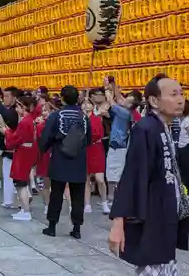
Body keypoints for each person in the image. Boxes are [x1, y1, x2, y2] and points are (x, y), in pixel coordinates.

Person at [108, 74, 189, 275]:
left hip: (166, 218)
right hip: (154, 219)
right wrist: (118, 224)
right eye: (173, 94)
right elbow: (131, 177)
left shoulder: (165, 128)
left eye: (181, 93)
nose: (180, 99)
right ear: (154, 100)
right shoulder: (145, 129)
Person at [38, 85, 91, 239]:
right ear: (78, 99)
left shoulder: (56, 116)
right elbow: (88, 140)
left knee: (56, 194)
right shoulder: (84, 117)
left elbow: (46, 138)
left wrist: (44, 148)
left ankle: (52, 226)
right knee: (77, 196)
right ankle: (77, 228)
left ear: (62, 98)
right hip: (78, 160)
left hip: (60, 159)